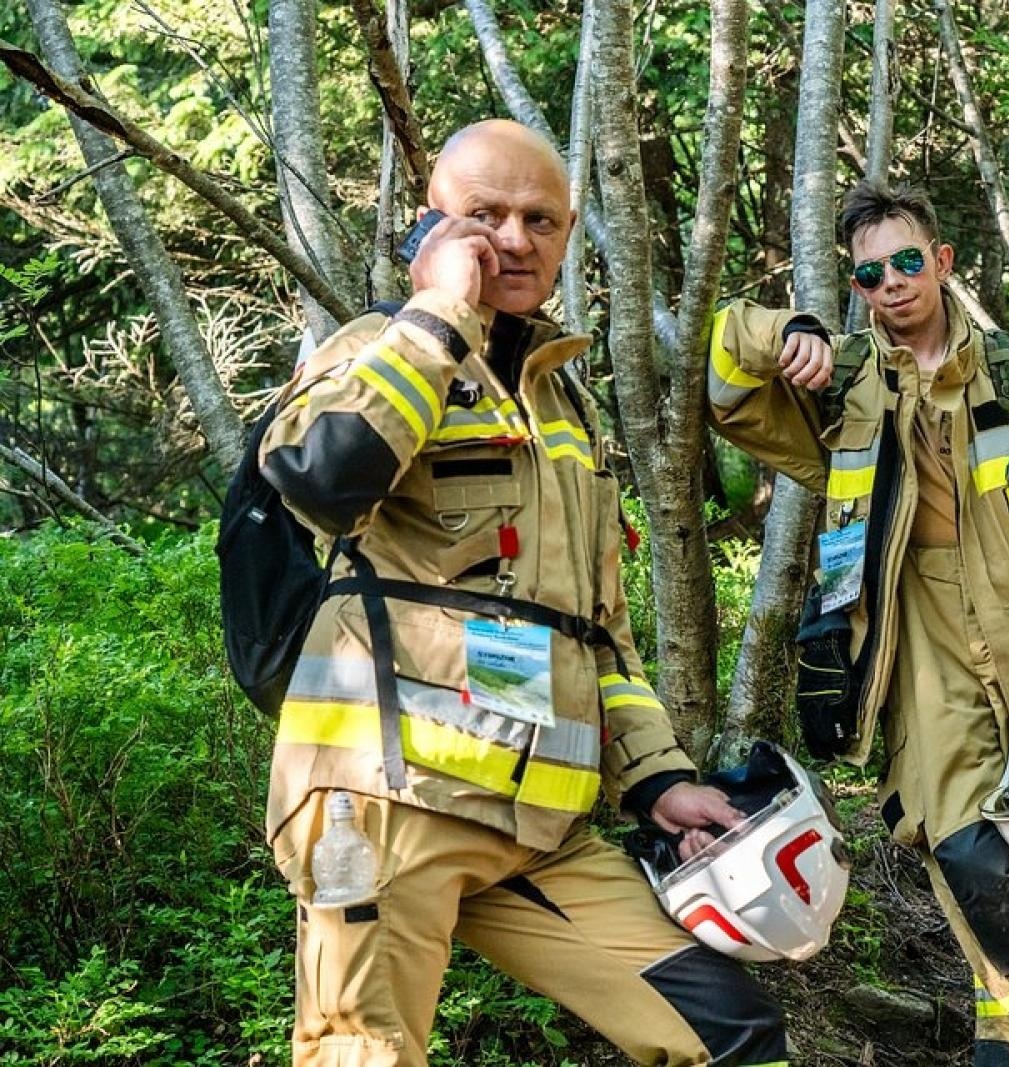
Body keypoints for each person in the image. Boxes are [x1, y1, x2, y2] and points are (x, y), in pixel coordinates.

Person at [259, 119, 789, 1067]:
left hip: (535, 823)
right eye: (483, 215)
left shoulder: (560, 402)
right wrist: (438, 314)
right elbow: (323, 474)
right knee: (361, 1055)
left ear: (570, 232)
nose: (513, 238)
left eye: (539, 218)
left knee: (729, 1033)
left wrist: (659, 779)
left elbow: (595, 631)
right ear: (431, 227)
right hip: (381, 798)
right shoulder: (381, 345)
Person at [706, 181, 1009, 1066]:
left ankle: (1008, 1049)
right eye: (869, 275)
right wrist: (785, 332)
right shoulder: (845, 386)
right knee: (973, 856)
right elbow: (728, 391)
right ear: (856, 289)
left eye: (906, 262)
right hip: (919, 657)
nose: (891, 283)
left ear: (941, 262)